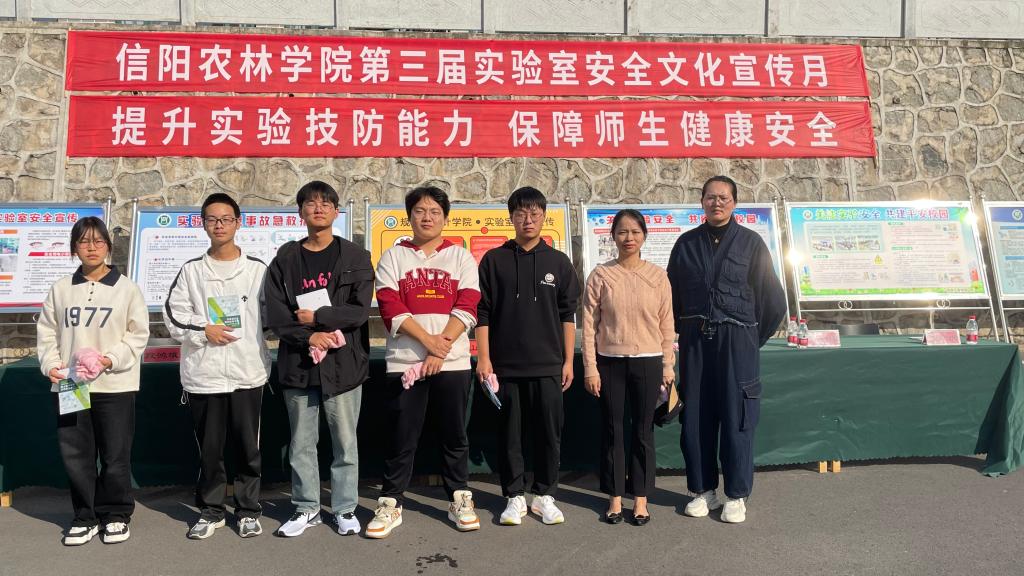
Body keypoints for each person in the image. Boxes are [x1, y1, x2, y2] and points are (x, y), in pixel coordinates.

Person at [666, 175, 786, 524]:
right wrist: (685, 331)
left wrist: (749, 340)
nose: (716, 203)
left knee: (737, 417)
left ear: (734, 203)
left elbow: (773, 302)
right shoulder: (686, 244)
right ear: (701, 202)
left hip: (738, 343)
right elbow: (670, 297)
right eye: (710, 197)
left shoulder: (751, 243)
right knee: (696, 417)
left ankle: (736, 494)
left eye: (723, 198)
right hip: (695, 344)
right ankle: (702, 490)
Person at [367, 186, 481, 538]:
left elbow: (468, 305)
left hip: (453, 363)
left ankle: (460, 497)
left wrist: (438, 349)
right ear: (410, 216)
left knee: (454, 434)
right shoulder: (393, 257)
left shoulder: (460, 257)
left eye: (434, 211)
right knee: (402, 436)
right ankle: (391, 501)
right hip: (405, 363)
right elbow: (390, 306)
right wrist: (430, 343)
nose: (427, 217)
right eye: (420, 211)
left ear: (445, 218)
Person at [264, 181, 374, 537]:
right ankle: (306, 507)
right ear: (301, 212)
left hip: (343, 365)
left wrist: (320, 317)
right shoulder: (285, 259)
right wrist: (308, 336)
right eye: (310, 203)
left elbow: (359, 312)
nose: (318, 208)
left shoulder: (355, 257)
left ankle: (344, 508)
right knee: (301, 443)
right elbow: (277, 316)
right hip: (299, 363)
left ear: (336, 211)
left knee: (345, 443)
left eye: (326, 203)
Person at [162, 193, 271, 539]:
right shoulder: (191, 271)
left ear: (238, 223)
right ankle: (211, 510)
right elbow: (173, 315)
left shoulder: (257, 270)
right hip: (205, 374)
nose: (219, 225)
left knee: (248, 448)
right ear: (203, 224)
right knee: (210, 451)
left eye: (225, 219)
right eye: (212, 219)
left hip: (246, 372)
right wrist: (203, 330)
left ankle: (248, 509)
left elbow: (271, 315)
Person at [36, 216, 150, 545]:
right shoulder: (61, 289)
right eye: (84, 241)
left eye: (98, 241)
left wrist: (110, 359)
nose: (91, 247)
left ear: (108, 247)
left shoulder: (127, 289)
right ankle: (84, 516)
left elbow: (137, 334)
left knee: (115, 454)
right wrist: (51, 364)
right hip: (72, 384)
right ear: (74, 248)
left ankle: (115, 514)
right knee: (77, 454)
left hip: (115, 385)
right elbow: (47, 332)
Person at [476, 186, 580, 526]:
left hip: (549, 365)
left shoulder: (558, 262)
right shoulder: (494, 260)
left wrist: (568, 360)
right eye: (521, 213)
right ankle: (514, 496)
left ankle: (545, 495)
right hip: (506, 366)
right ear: (511, 217)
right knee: (510, 435)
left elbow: (567, 315)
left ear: (544, 217)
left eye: (535, 213)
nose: (528, 220)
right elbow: (483, 312)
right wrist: (484, 358)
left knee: (549, 433)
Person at [581, 209, 674, 526]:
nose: (629, 238)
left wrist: (668, 365)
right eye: (622, 232)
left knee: (643, 430)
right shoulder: (601, 276)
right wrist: (590, 368)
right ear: (613, 237)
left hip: (649, 361)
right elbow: (589, 326)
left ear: (644, 236)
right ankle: (615, 497)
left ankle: (641, 498)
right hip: (609, 362)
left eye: (635, 232)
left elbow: (667, 324)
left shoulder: (658, 277)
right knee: (613, 429)